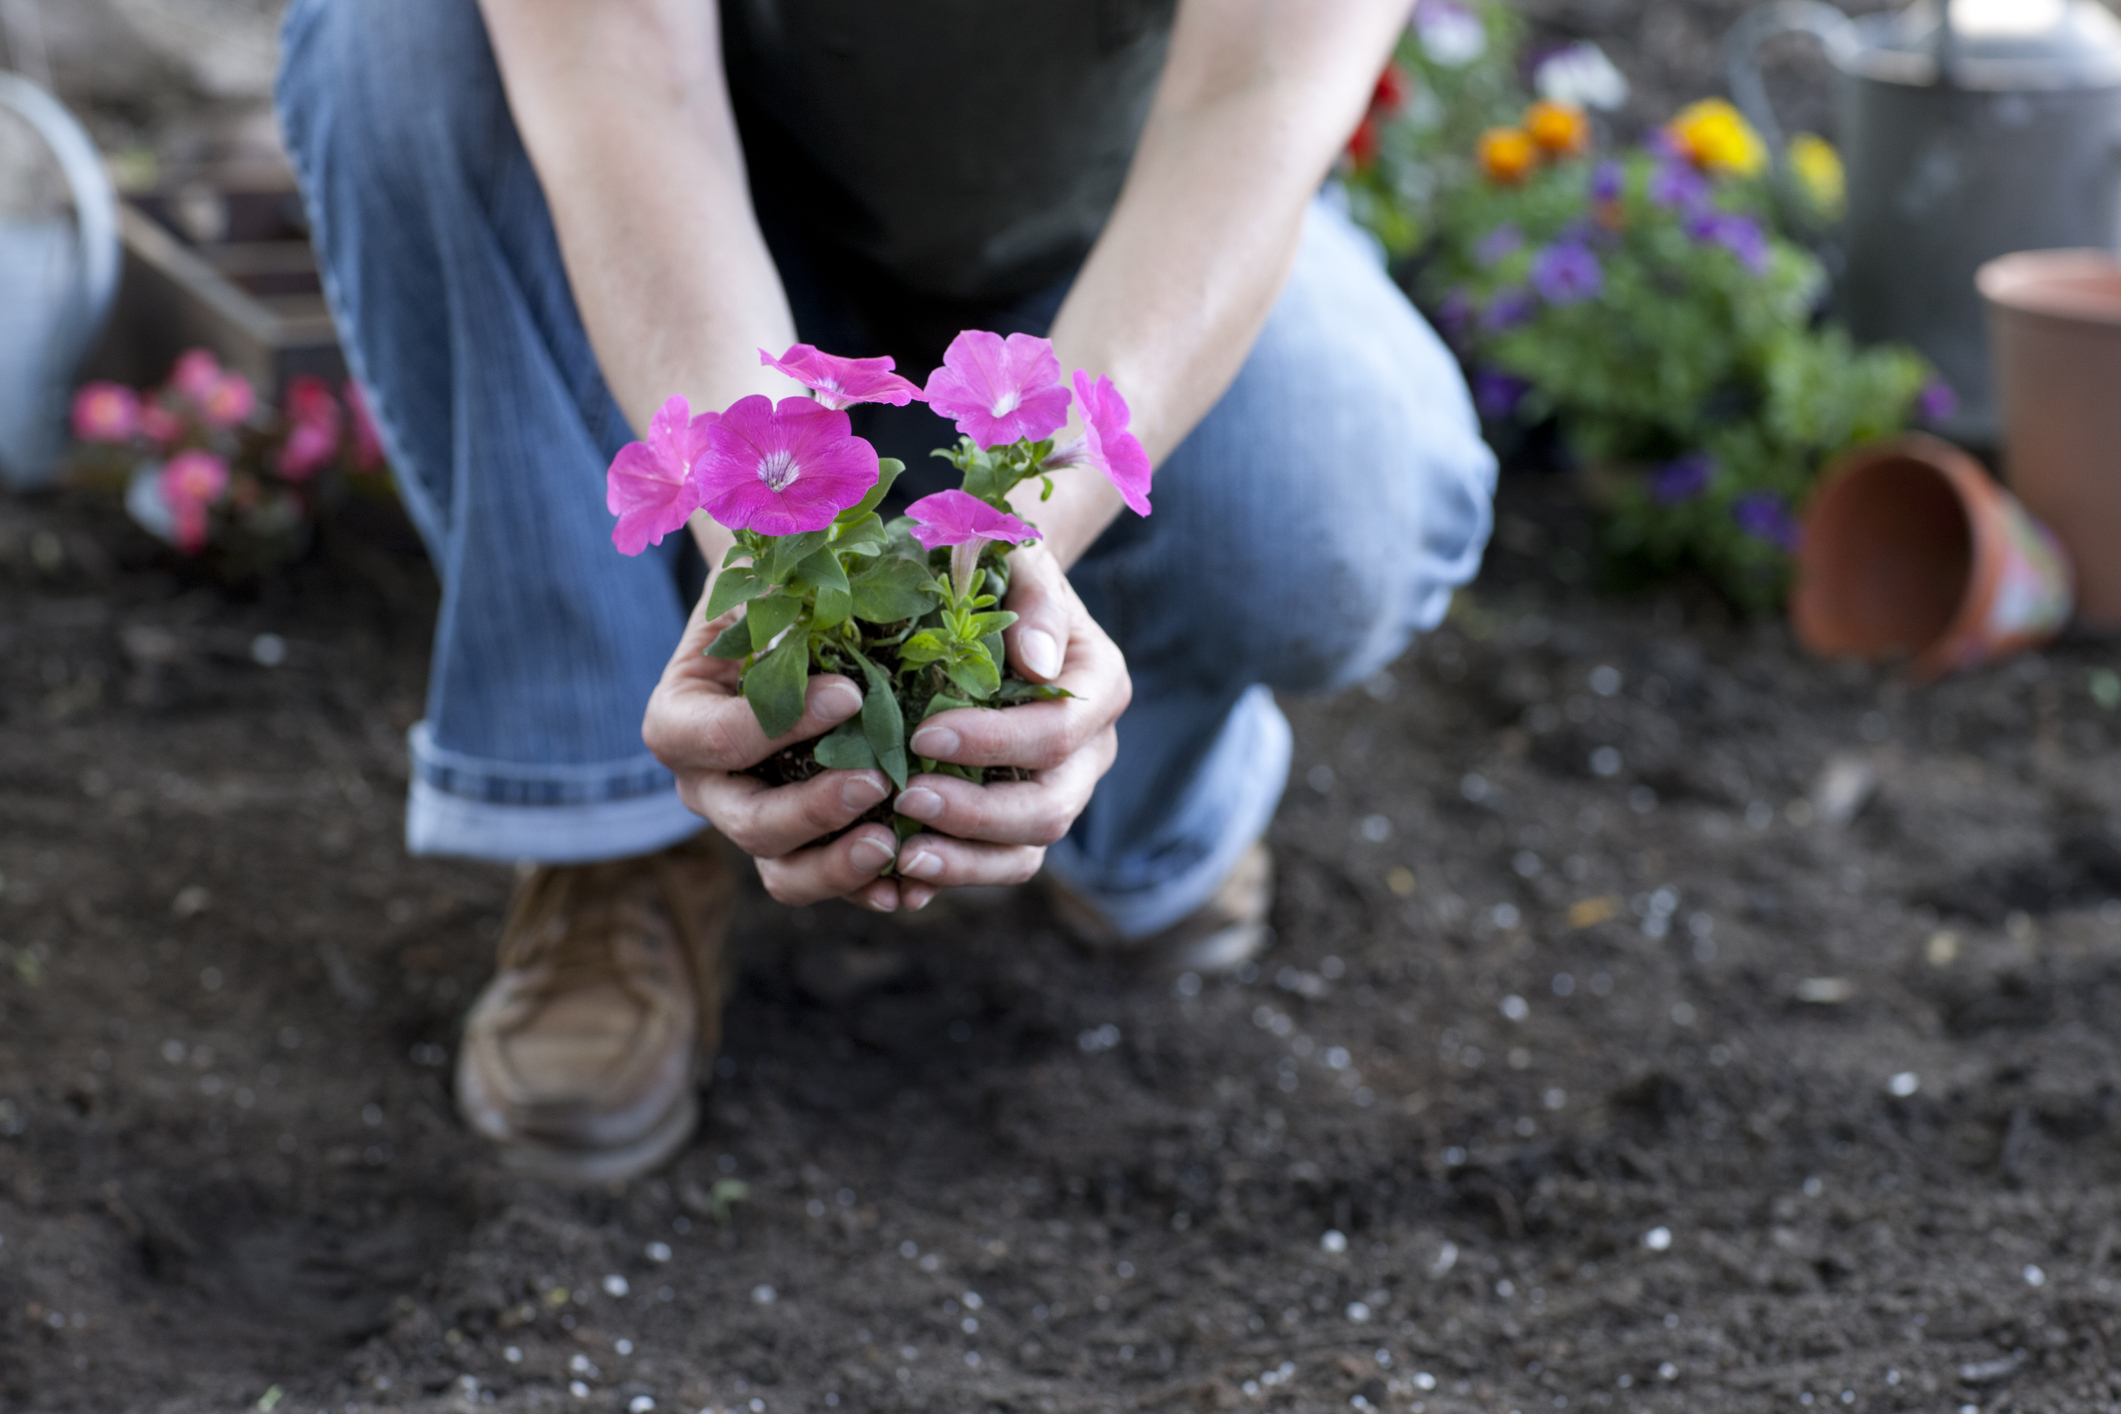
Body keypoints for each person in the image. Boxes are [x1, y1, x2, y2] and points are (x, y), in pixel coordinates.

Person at [276, 0, 1495, 1183]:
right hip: (727, 246)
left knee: (1339, 500)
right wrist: (753, 542)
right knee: (397, 32)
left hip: (1099, 246)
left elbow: (1258, 92)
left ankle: (1131, 776)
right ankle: (610, 825)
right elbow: (616, 64)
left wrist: (1022, 532)